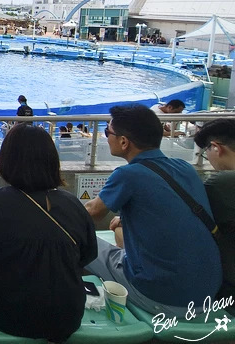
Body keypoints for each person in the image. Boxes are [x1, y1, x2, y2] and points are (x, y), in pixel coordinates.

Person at [0, 124, 97, 342]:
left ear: (6, 160)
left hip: (0, 314)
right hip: (65, 318)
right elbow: (87, 256)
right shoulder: (74, 206)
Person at [84, 104, 221, 316]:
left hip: (162, 298)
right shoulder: (184, 167)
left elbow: (90, 214)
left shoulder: (128, 175)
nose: (106, 137)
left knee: (79, 241)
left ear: (123, 141)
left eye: (107, 132)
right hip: (207, 294)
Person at [194, 119, 235, 300]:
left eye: (205, 153)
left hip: (226, 291)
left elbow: (182, 215)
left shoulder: (222, 184)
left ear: (216, 148)